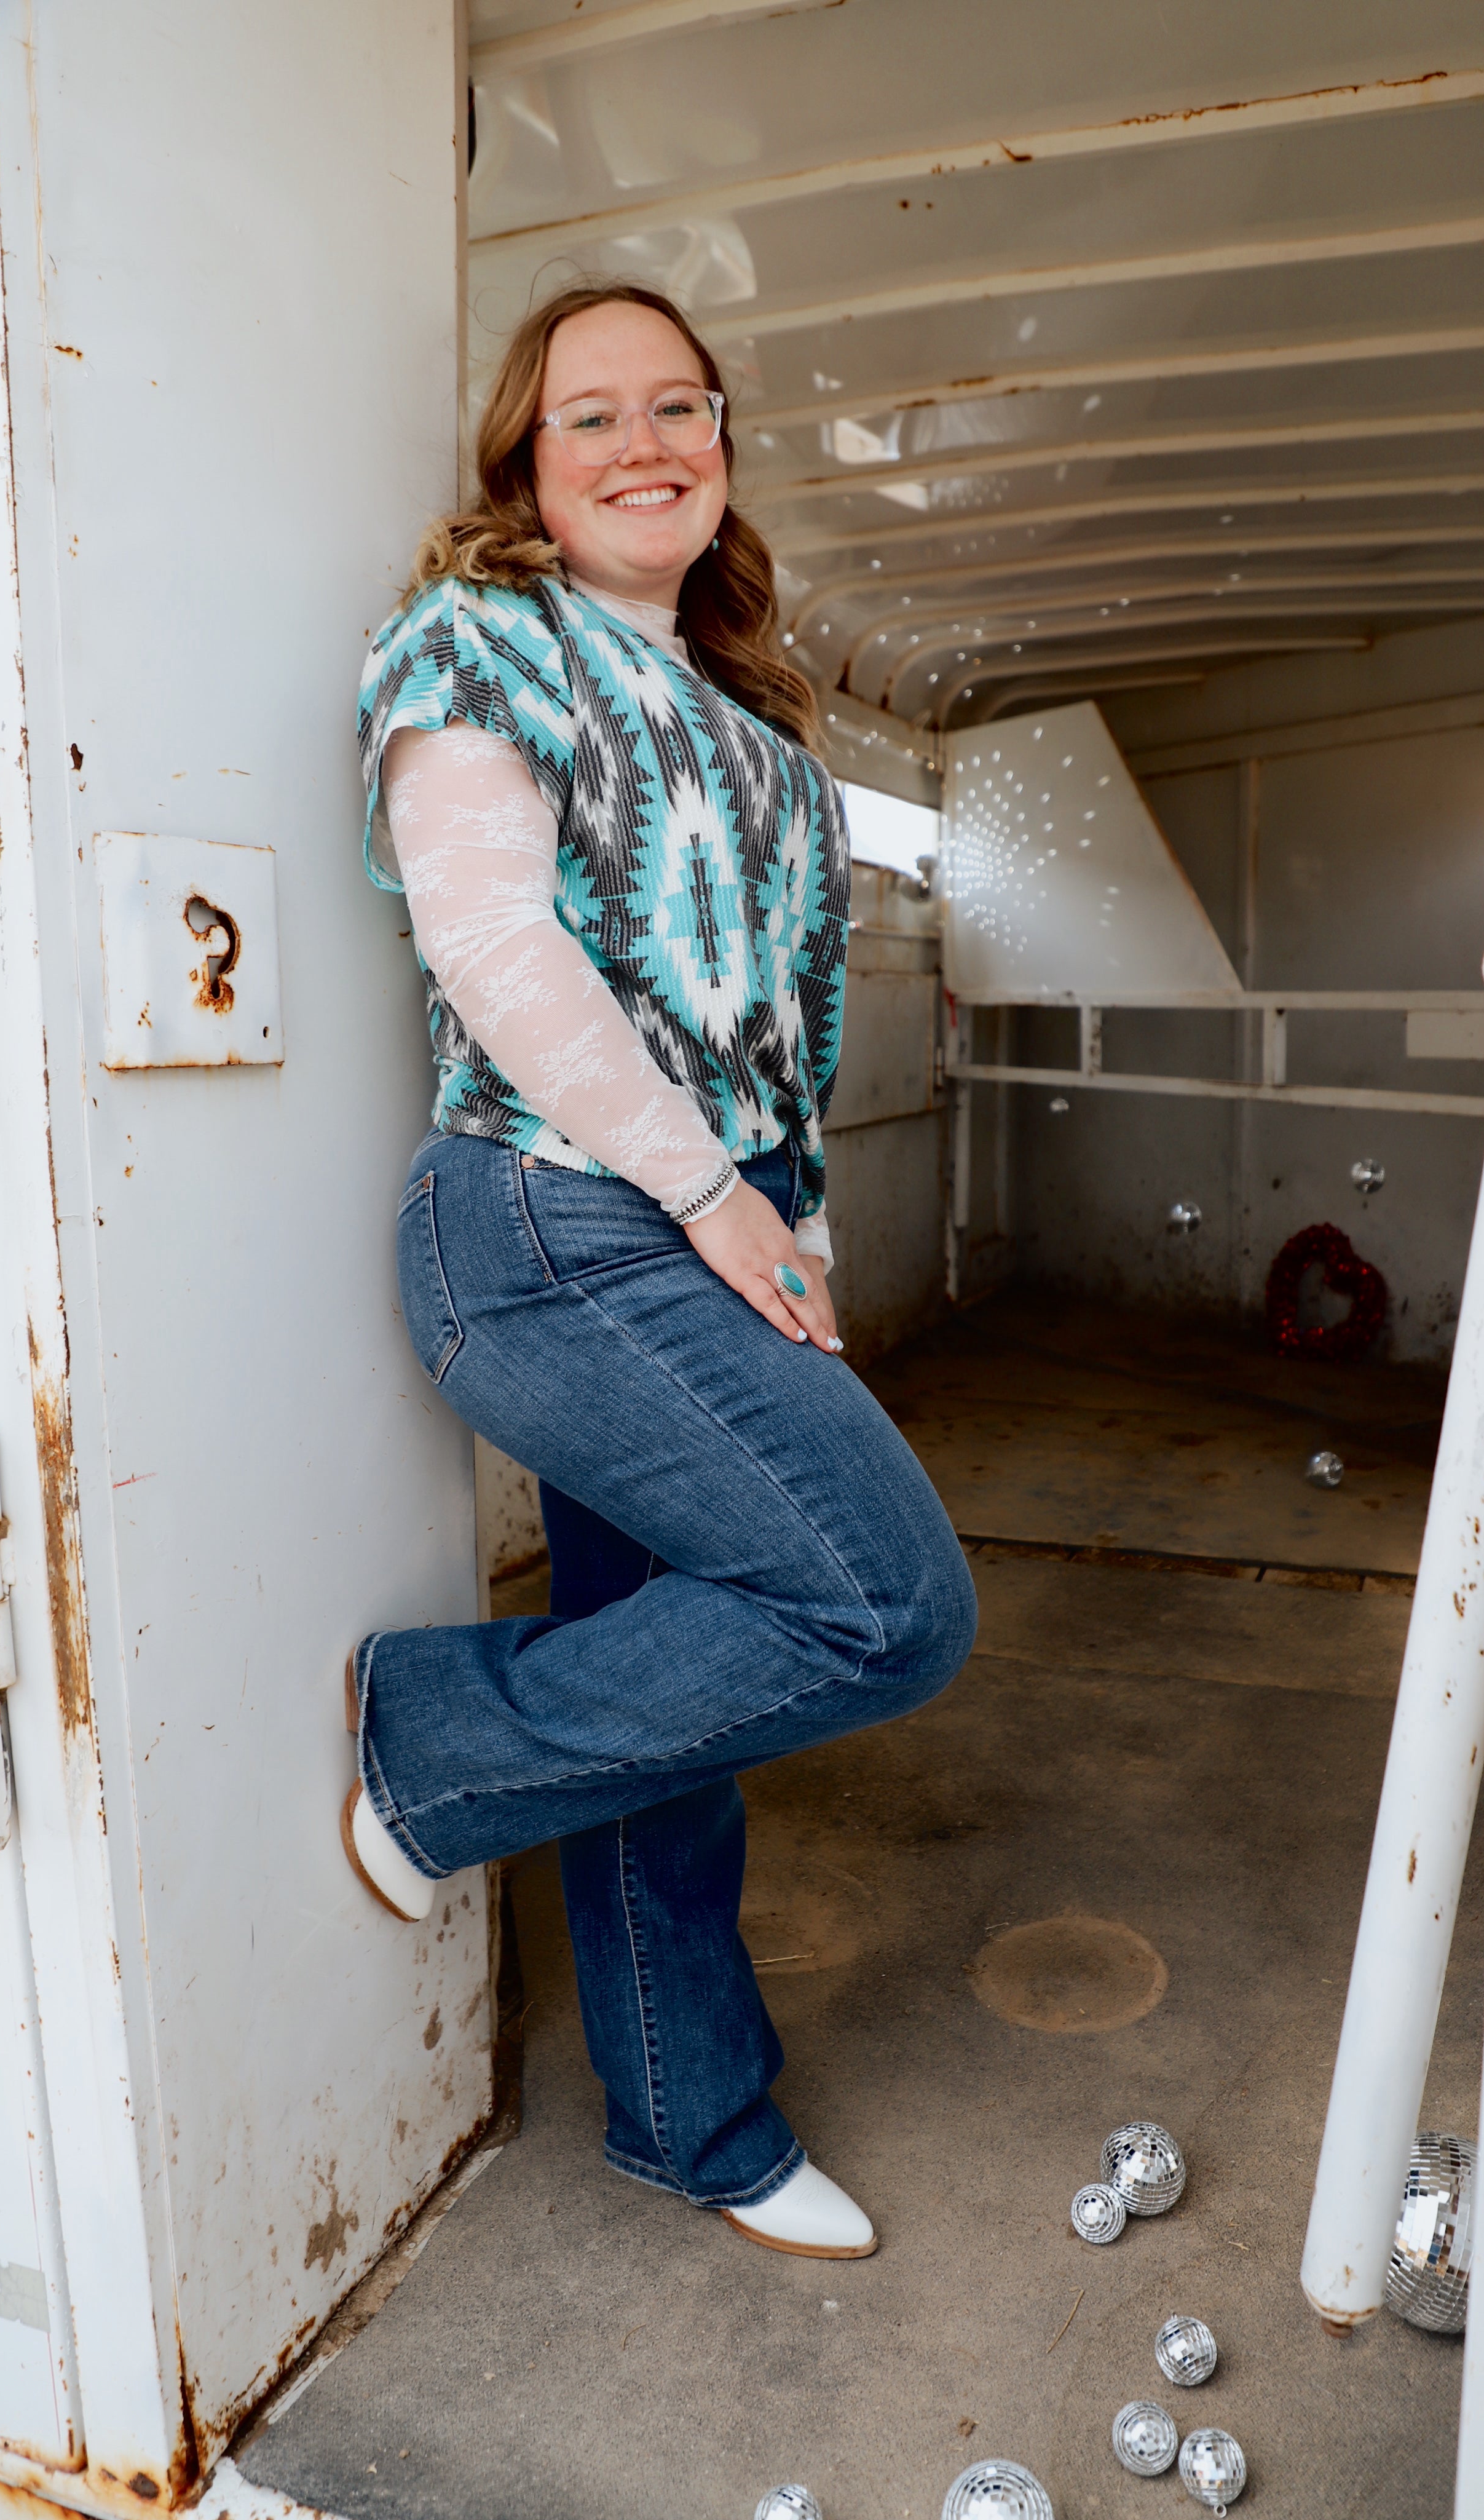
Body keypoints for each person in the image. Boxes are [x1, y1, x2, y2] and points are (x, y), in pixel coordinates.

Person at [343, 279, 977, 2261]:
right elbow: (498, 955)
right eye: (593, 416)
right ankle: (434, 1738)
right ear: (529, 464)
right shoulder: (480, 643)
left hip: (719, 1227)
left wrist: (800, 1242)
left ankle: (697, 2122)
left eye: (680, 406)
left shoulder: (757, 715)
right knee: (888, 1604)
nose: (646, 444)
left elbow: (788, 1032)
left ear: (721, 445)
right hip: (551, 1225)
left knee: (678, 1701)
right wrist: (714, 1202)